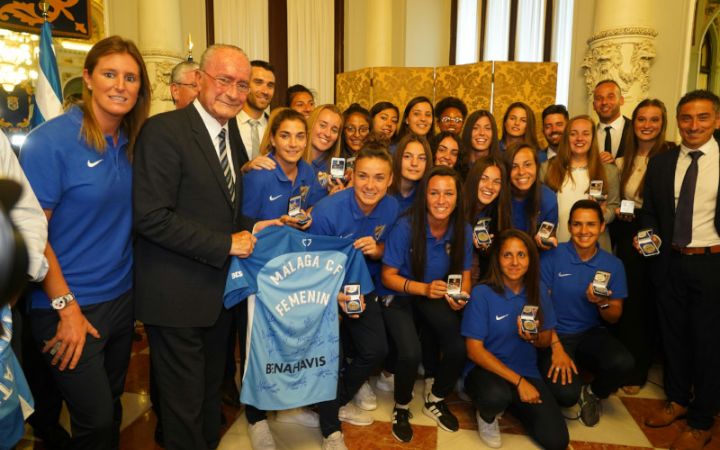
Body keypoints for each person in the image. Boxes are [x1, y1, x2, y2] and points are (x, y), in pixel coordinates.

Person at [133, 44, 278, 450]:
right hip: (176, 297)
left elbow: (224, 209)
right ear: (199, 80)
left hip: (218, 298)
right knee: (182, 409)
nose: (234, 92)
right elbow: (151, 217)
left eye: (242, 84)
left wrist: (263, 228)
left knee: (208, 400)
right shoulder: (164, 131)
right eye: (225, 80)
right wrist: (226, 243)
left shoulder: (229, 132)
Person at [20, 36, 150, 450]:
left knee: (110, 408)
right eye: (110, 74)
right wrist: (66, 307)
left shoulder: (133, 142)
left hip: (119, 299)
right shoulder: (50, 142)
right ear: (89, 78)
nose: (121, 85)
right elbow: (31, 236)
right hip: (65, 304)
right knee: (94, 422)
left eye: (131, 77)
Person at [299, 145, 399, 444]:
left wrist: (379, 250)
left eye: (379, 178)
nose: (370, 185)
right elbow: (308, 265)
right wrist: (334, 299)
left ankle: (332, 401)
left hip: (361, 286)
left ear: (390, 179)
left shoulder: (391, 207)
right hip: (324, 289)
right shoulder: (329, 211)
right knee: (332, 356)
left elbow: (390, 250)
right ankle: (331, 429)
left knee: (376, 350)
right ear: (352, 176)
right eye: (364, 176)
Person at [640, 90, 720, 450]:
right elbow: (652, 213)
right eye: (686, 118)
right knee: (673, 337)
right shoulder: (662, 163)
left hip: (712, 263)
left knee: (708, 343)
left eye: (702, 117)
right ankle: (677, 400)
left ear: (716, 120)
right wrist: (647, 240)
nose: (693, 125)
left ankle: (702, 420)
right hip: (669, 262)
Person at [381, 165, 471, 442]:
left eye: (448, 193)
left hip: (434, 294)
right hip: (402, 293)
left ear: (458, 197)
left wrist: (461, 296)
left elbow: (465, 274)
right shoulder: (406, 226)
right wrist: (424, 289)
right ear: (425, 196)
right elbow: (388, 276)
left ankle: (435, 398)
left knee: (458, 346)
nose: (441, 200)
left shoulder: (462, 229)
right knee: (410, 353)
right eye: (434, 193)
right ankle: (402, 406)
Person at [463, 229, 569, 450]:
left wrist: (534, 338)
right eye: (507, 255)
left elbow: (546, 338)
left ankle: (510, 403)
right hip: (486, 370)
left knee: (557, 441)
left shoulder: (537, 290)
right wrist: (519, 383)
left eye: (521, 255)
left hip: (526, 371)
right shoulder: (482, 293)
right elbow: (474, 350)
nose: (514, 262)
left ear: (530, 258)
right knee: (494, 397)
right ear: (497, 259)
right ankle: (488, 414)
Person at [539, 200, 633, 427]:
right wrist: (556, 347)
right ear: (569, 227)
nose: (583, 231)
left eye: (590, 224)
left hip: (590, 333)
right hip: (553, 334)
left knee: (624, 363)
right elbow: (539, 308)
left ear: (602, 227)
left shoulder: (613, 264)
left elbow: (615, 316)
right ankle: (564, 379)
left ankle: (591, 392)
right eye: (577, 224)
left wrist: (601, 303)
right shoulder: (552, 256)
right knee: (566, 396)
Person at [611, 99, 670, 395]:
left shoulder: (669, 157)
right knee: (626, 299)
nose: (647, 125)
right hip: (623, 233)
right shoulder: (623, 161)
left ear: (662, 124)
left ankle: (638, 369)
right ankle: (622, 362)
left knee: (644, 303)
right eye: (642, 120)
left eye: (654, 120)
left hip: (652, 237)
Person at [541, 115, 620, 251]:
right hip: (556, 246)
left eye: (586, 134)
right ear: (566, 138)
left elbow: (614, 206)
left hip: (596, 246)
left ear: (593, 138)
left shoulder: (609, 171)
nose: (579, 139)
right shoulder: (547, 168)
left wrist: (603, 214)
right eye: (573, 134)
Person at [242, 107, 326, 225]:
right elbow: (242, 227)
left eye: (300, 136)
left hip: (296, 240)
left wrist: (307, 218)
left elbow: (311, 206)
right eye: (285, 136)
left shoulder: (308, 171)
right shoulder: (258, 177)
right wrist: (278, 226)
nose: (293, 144)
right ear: (272, 139)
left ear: (306, 139)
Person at [463, 157, 512, 284]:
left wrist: (487, 249)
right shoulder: (456, 206)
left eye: (497, 182)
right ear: (474, 178)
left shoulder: (499, 213)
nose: (490, 186)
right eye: (484, 179)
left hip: (484, 283)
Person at [505, 142, 558, 248]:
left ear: (537, 167)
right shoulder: (498, 195)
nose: (521, 172)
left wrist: (547, 241)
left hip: (536, 257)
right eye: (514, 166)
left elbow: (550, 234)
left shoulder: (548, 198)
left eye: (527, 165)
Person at [237, 60, 275, 159]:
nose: (265, 91)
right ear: (244, 85)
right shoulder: (226, 123)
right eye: (258, 83)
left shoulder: (276, 126)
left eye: (270, 85)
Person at [305, 104, 344, 193]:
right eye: (322, 125)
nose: (327, 134)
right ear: (311, 124)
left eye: (334, 130)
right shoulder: (292, 159)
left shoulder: (335, 169)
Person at [389, 133, 433, 212]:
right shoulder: (383, 190)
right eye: (407, 156)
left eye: (421, 158)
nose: (414, 163)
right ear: (397, 157)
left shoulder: (427, 197)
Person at [592, 79, 631, 163]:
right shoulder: (588, 134)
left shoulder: (635, 130)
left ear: (621, 100)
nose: (604, 102)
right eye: (599, 98)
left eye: (610, 97)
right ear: (594, 105)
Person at [461, 110, 501, 175]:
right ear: (468, 131)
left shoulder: (500, 167)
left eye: (487, 128)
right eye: (475, 128)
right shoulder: (457, 164)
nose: (482, 133)